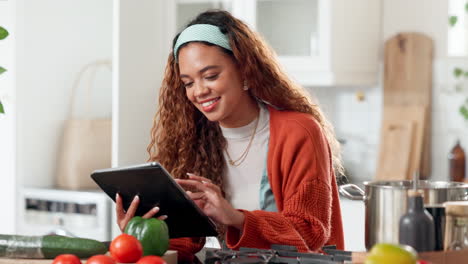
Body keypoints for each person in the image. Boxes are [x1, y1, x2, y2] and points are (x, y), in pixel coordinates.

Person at [116, 9, 345, 263]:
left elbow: (310, 233)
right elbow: (183, 245)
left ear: (245, 71)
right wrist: (141, 235)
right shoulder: (193, 138)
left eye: (211, 76)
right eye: (188, 83)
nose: (199, 91)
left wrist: (235, 217)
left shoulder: (299, 131)